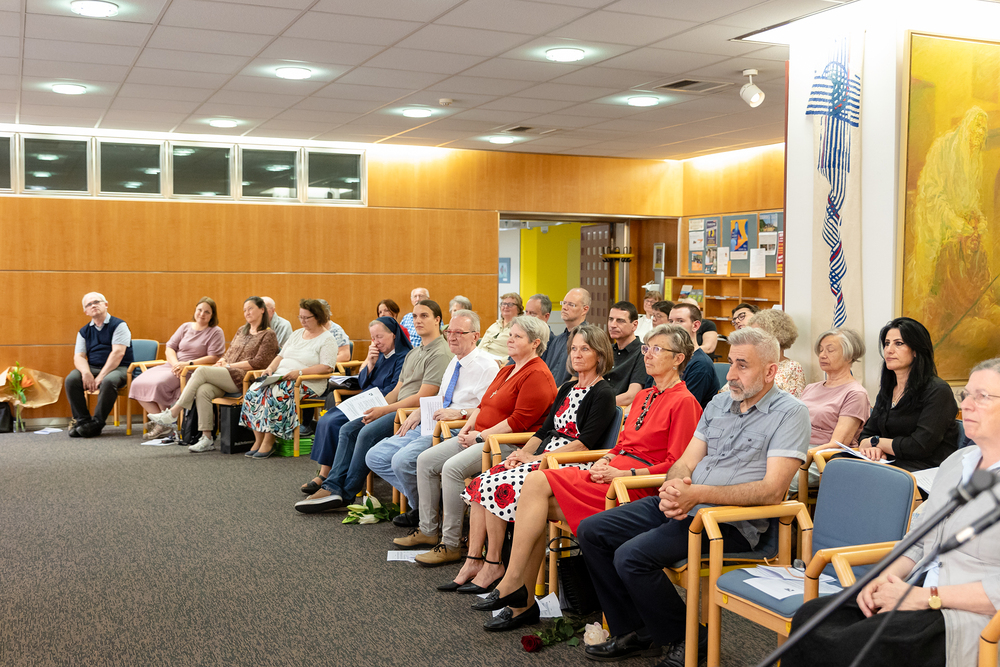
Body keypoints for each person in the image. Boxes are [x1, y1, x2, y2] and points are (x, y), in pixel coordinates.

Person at [576, 327, 810, 666]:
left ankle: (688, 638)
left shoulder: (790, 413)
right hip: (689, 504)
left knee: (631, 557)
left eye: (742, 365)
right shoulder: (720, 402)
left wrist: (694, 494)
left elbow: (772, 490)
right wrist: (673, 489)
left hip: (729, 521)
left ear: (771, 371)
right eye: (730, 362)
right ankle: (636, 631)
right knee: (592, 530)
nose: (730, 374)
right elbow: (685, 461)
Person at [463, 325, 702, 630]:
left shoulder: (684, 401)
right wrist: (604, 461)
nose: (648, 355)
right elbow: (621, 446)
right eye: (646, 348)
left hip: (635, 488)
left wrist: (623, 473)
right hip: (610, 475)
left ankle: (514, 588)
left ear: (679, 358)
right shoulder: (644, 395)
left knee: (534, 490)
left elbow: (676, 466)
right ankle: (519, 597)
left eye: (657, 349)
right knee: (531, 500)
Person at [783, 357, 1000, 667]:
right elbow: (919, 539)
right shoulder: (957, 462)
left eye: (982, 396)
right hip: (917, 587)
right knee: (813, 616)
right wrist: (882, 580)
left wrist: (926, 597)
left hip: (968, 614)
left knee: (863, 645)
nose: (966, 405)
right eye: (966, 395)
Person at [447, 324, 618, 595]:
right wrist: (522, 454)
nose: (576, 354)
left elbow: (583, 443)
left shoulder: (603, 393)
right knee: (482, 482)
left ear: (600, 354)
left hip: (572, 461)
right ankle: (474, 561)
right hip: (545, 455)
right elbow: (543, 431)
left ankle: (493, 564)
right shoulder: (567, 388)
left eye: (585, 349)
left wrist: (538, 459)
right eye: (574, 348)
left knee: (498, 485)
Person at [393, 315, 557, 566]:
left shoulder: (537, 374)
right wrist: (469, 426)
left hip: (507, 443)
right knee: (425, 460)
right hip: (479, 436)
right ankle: (428, 530)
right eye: (510, 334)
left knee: (452, 469)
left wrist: (480, 436)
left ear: (535, 343)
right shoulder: (508, 368)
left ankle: (451, 544)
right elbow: (483, 404)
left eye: (517, 336)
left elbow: (518, 422)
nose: (510, 340)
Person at [295, 300, 452, 511]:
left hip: (412, 412)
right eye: (415, 316)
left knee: (365, 433)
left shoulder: (440, 353)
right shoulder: (415, 352)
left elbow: (423, 397)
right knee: (348, 428)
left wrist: (384, 410)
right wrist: (377, 407)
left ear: (437, 320)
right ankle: (332, 486)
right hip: (396, 407)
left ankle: (345, 493)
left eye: (424, 316)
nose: (418, 320)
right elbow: (397, 390)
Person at [365, 310, 499, 527]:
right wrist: (420, 410)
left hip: (457, 427)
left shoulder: (487, 366)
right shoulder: (454, 361)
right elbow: (443, 397)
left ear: (475, 336)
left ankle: (427, 512)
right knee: (375, 456)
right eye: (449, 332)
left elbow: (489, 409)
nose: (451, 337)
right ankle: (430, 505)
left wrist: (461, 413)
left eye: (459, 333)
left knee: (402, 461)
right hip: (433, 419)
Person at [148, 296, 279, 452]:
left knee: (201, 370)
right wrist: (222, 361)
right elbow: (229, 353)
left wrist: (229, 365)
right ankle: (207, 438)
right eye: (244, 310)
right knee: (203, 390)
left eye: (250, 308)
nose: (247, 312)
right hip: (227, 374)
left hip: (244, 378)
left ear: (262, 310)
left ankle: (174, 412)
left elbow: (259, 362)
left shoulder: (268, 335)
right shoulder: (241, 331)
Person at [300, 316, 412, 494]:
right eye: (373, 338)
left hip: (382, 402)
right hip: (366, 397)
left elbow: (396, 390)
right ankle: (325, 472)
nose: (376, 342)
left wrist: (376, 400)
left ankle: (329, 476)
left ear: (393, 335)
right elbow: (362, 382)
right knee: (327, 418)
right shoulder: (379, 355)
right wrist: (370, 362)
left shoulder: (404, 357)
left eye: (379, 337)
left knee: (336, 423)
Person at [237, 299, 338, 458]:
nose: (303, 321)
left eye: (307, 318)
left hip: (306, 381)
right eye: (300, 317)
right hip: (281, 376)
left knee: (276, 394)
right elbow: (280, 356)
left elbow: (327, 367)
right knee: (253, 391)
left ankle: (269, 441)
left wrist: (300, 372)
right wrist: (270, 369)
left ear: (318, 316)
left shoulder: (327, 339)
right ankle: (259, 439)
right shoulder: (297, 334)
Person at [856, 317, 959, 472]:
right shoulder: (888, 389)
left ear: (916, 350)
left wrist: (877, 442)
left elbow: (919, 446)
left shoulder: (938, 390)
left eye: (898, 343)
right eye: (887, 343)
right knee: (838, 462)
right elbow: (866, 434)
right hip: (890, 461)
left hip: (924, 468)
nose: (889, 350)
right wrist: (874, 448)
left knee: (860, 473)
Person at [131, 297, 225, 441]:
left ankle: (163, 424)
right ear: (195, 310)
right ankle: (164, 424)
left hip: (193, 369)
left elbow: (214, 357)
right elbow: (170, 347)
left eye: (207, 312)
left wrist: (187, 364)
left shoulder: (215, 332)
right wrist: (176, 364)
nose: (202, 314)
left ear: (212, 315)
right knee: (137, 383)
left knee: (159, 385)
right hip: (173, 366)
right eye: (199, 310)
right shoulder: (185, 327)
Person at [792, 328, 871, 490]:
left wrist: (804, 456)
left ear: (849, 355)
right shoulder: (811, 388)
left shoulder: (855, 393)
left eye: (830, 350)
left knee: (777, 480)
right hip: (796, 449)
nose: (822, 355)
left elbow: (838, 443)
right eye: (821, 350)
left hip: (823, 458)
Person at [65, 292, 134, 438]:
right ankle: (83, 422)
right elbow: (78, 356)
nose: (93, 305)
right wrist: (86, 373)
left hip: (120, 367)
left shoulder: (119, 325)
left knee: (109, 381)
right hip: (93, 367)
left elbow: (118, 353)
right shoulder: (83, 331)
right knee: (72, 379)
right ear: (86, 311)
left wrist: (100, 376)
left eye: (97, 302)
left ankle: (97, 423)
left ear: (106, 304)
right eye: (89, 304)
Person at [667, 303, 720, 408]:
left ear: (695, 326)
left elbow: (684, 406)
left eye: (680, 321)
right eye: (671, 321)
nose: (673, 326)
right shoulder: (670, 358)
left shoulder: (701, 364)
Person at [749, 308, 805, 397]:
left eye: (759, 335)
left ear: (778, 337)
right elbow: (727, 392)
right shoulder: (749, 363)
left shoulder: (792, 367)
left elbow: (793, 401)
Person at [542, 288, 591, 386]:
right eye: (564, 303)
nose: (564, 307)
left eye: (571, 305)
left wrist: (554, 394)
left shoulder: (588, 339)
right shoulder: (557, 340)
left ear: (584, 309)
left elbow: (577, 380)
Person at [604, 301, 649, 406]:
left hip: (621, 410)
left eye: (620, 321)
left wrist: (599, 404)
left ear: (634, 325)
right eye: (611, 319)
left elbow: (632, 395)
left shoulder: (643, 353)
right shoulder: (606, 350)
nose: (613, 325)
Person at [479, 292, 523, 359]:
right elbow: (481, 345)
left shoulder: (520, 328)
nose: (506, 307)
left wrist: (501, 361)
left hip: (499, 360)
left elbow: (519, 352)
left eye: (510, 304)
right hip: (482, 357)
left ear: (518, 309)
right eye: (503, 304)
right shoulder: (494, 325)